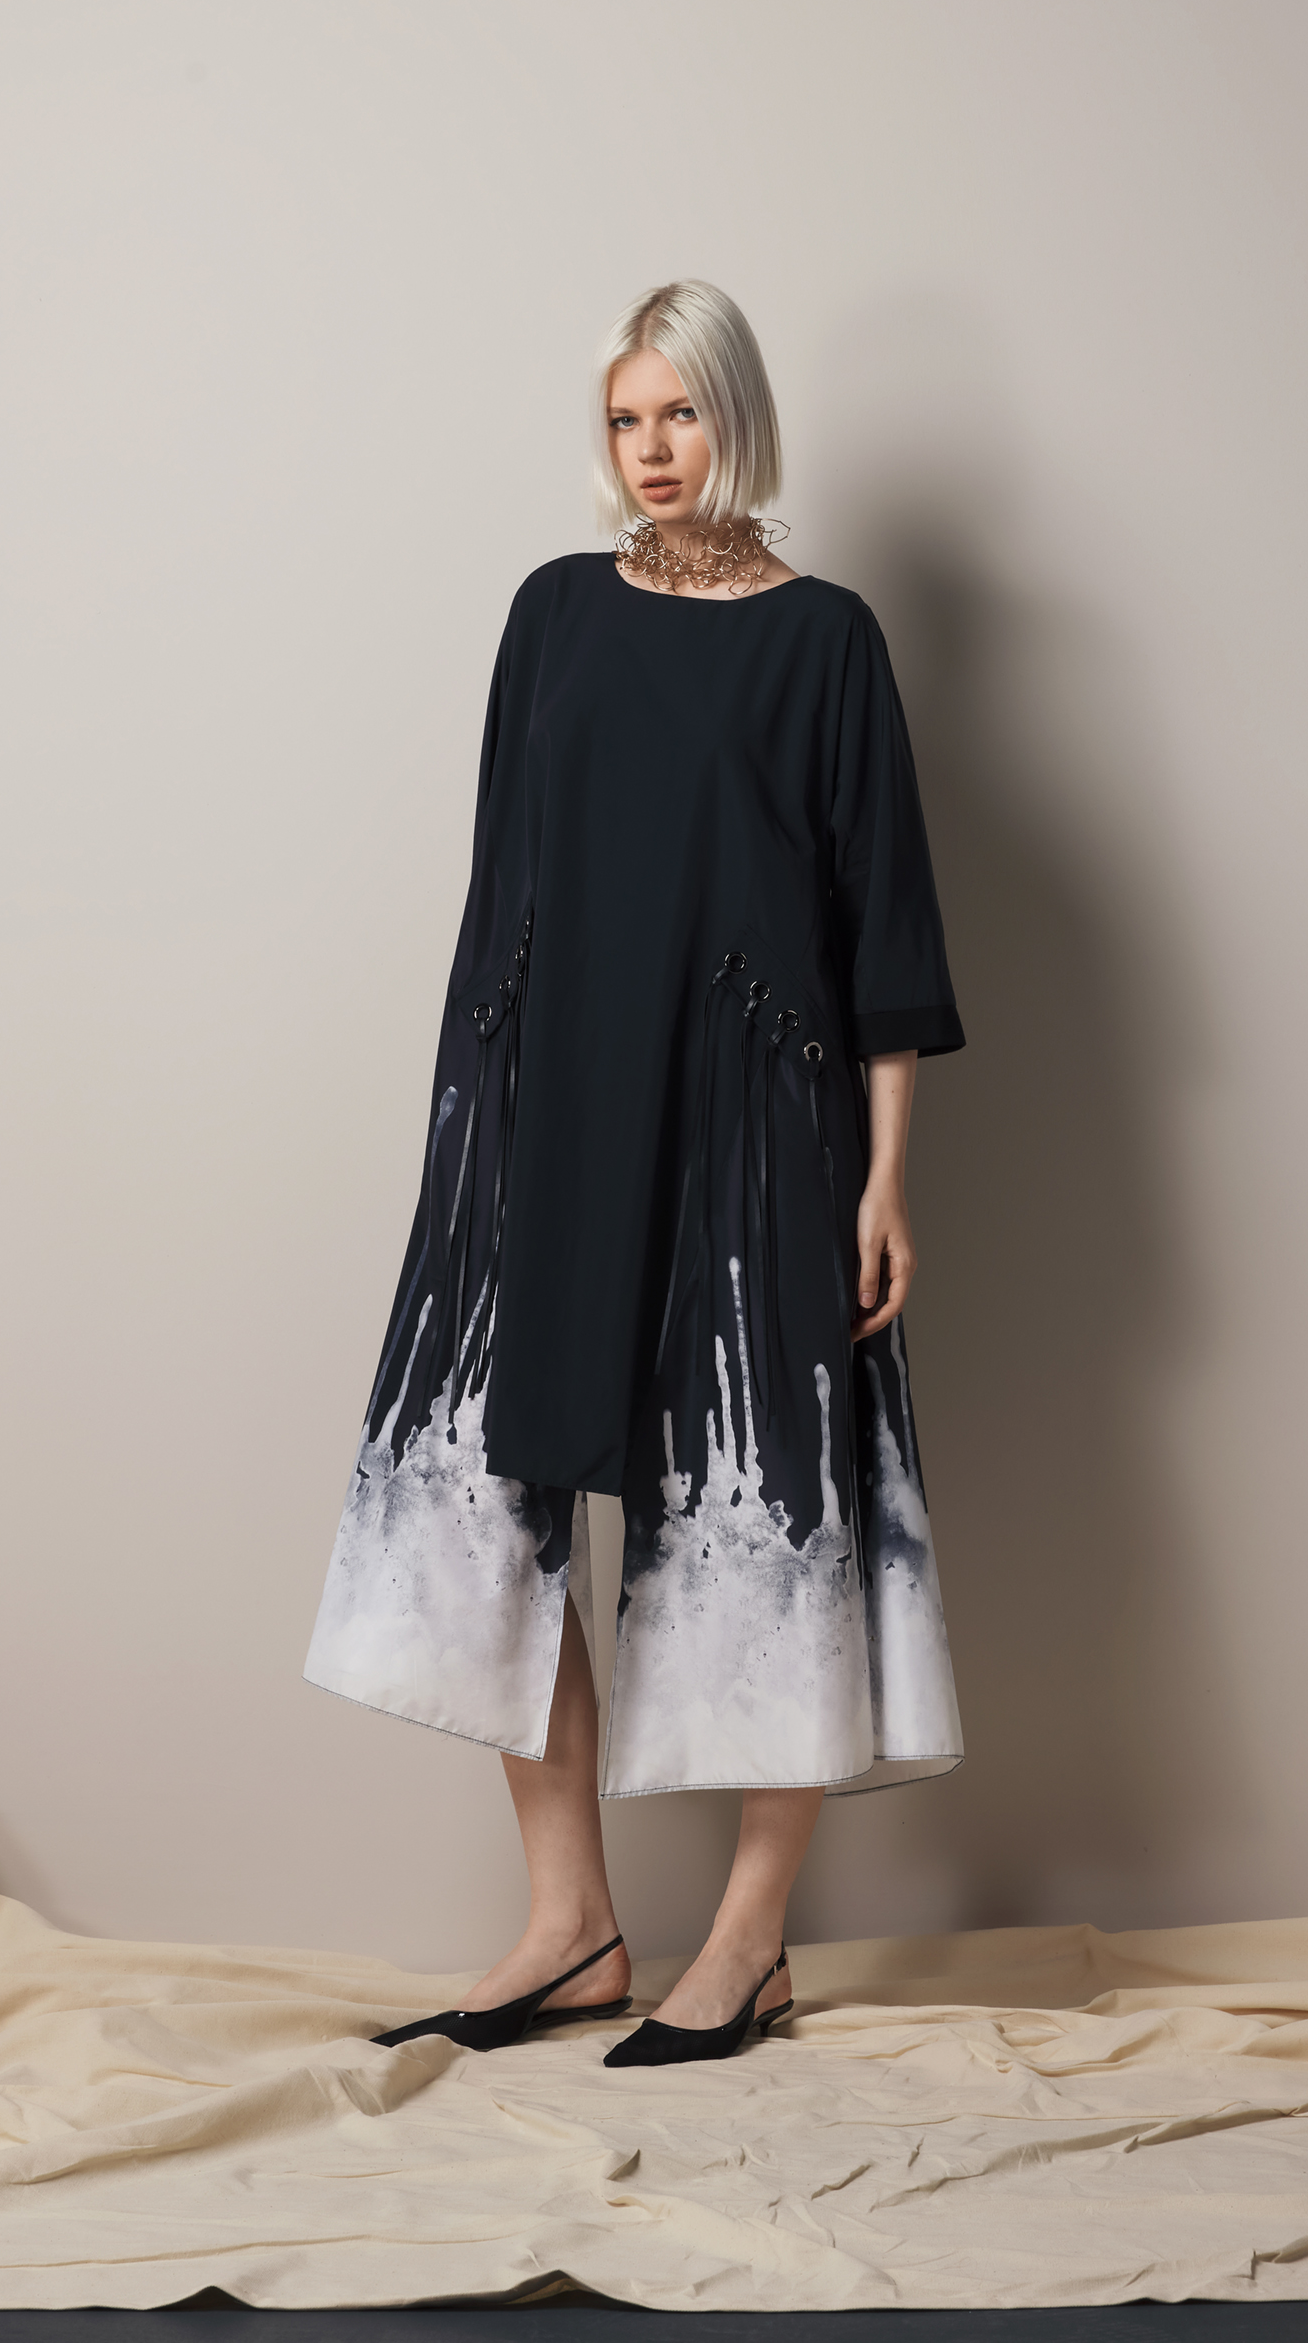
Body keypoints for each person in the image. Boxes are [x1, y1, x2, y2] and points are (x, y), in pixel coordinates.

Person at [305, 280, 965, 2068]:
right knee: (502, 1503)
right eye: (624, 418)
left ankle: (747, 1941)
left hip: (760, 1123)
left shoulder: (829, 640)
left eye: (680, 414)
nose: (651, 450)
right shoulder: (552, 612)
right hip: (556, 1105)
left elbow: (885, 936)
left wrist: (884, 1180)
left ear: (735, 421)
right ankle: (571, 1922)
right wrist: (473, 1133)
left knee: (757, 1507)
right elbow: (500, 889)